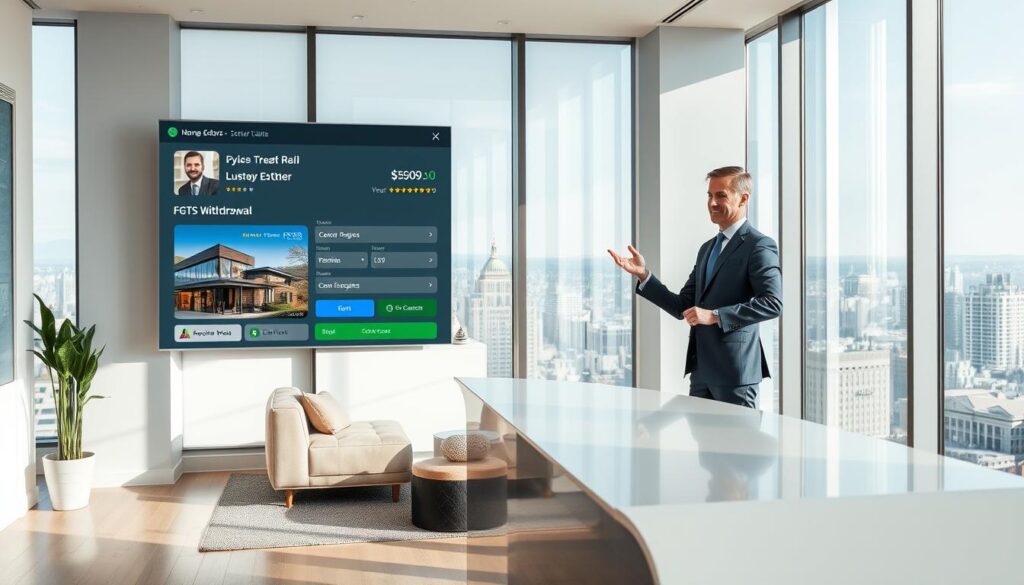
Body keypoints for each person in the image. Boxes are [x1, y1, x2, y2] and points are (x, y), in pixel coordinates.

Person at [608, 166, 782, 408]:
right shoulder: (708, 248)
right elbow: (683, 306)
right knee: (704, 446)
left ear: (744, 198)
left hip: (735, 374)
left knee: (739, 445)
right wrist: (644, 275)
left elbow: (773, 304)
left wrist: (714, 316)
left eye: (721, 195)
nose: (712, 203)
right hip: (701, 372)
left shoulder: (759, 245)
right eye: (709, 195)